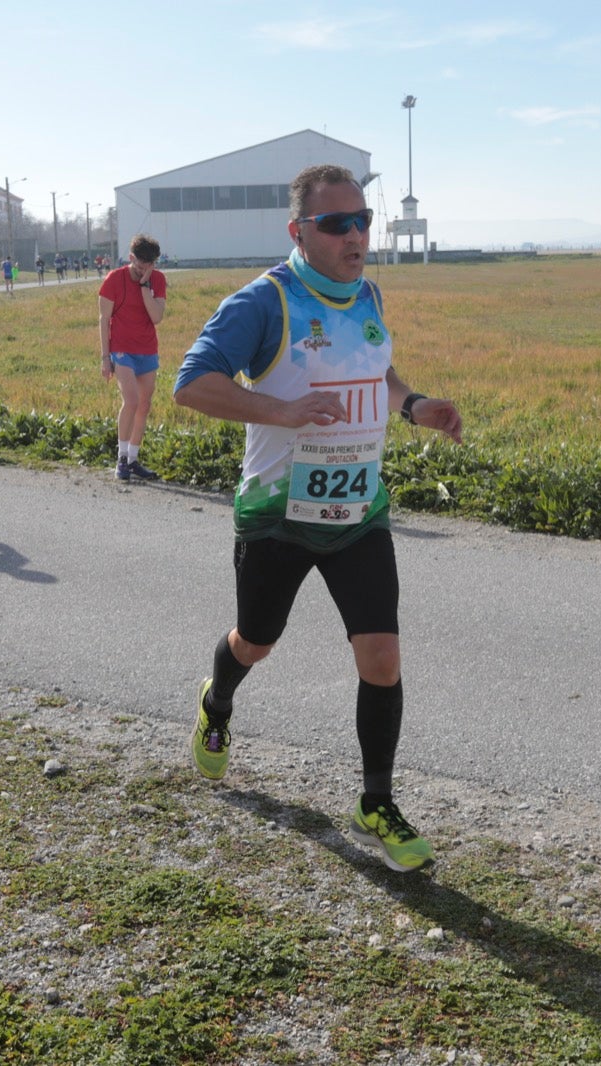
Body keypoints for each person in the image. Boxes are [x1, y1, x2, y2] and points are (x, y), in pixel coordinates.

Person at [172, 164, 464, 874]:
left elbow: (376, 371)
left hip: (359, 510)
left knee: (382, 658)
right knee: (256, 642)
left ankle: (375, 800)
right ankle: (217, 704)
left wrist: (413, 405)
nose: (355, 235)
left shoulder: (368, 292)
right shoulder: (264, 301)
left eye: (362, 219)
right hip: (277, 513)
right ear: (299, 231)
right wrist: (280, 411)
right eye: (337, 224)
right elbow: (192, 384)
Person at [98, 234, 167, 481]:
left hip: (147, 350)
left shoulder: (157, 280)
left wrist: (145, 287)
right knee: (132, 400)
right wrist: (105, 358)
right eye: (139, 265)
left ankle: (134, 459)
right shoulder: (114, 279)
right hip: (121, 349)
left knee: (144, 405)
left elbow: (156, 316)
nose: (142, 270)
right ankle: (122, 458)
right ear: (130, 258)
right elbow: (104, 319)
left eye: (148, 266)